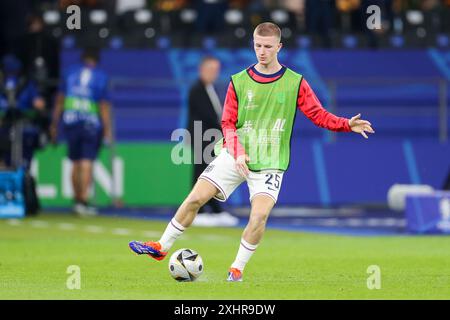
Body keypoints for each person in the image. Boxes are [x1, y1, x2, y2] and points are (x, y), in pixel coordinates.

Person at [129, 22, 374, 281]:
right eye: (258, 45)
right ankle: (161, 247)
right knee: (194, 199)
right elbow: (227, 123)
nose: (262, 51)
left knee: (259, 216)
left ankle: (236, 269)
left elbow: (318, 115)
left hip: (270, 162)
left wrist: (346, 124)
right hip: (235, 155)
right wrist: (238, 151)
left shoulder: (296, 83)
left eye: (268, 47)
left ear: (279, 47)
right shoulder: (239, 81)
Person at [50, 48, 112, 216]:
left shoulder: (70, 73)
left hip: (70, 121)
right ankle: (83, 201)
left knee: (75, 162)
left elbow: (60, 100)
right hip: (91, 123)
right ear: (96, 60)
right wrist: (107, 130)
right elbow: (103, 105)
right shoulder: (100, 76)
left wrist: (54, 124)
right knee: (86, 162)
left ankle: (76, 201)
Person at [187, 56, 239, 227]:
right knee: (201, 172)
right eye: (211, 69)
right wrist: (224, 126)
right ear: (202, 70)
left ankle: (215, 210)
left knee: (211, 172)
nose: (214, 73)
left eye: (216, 70)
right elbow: (207, 116)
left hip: (211, 137)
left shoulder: (211, 88)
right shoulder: (197, 89)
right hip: (202, 136)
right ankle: (199, 211)